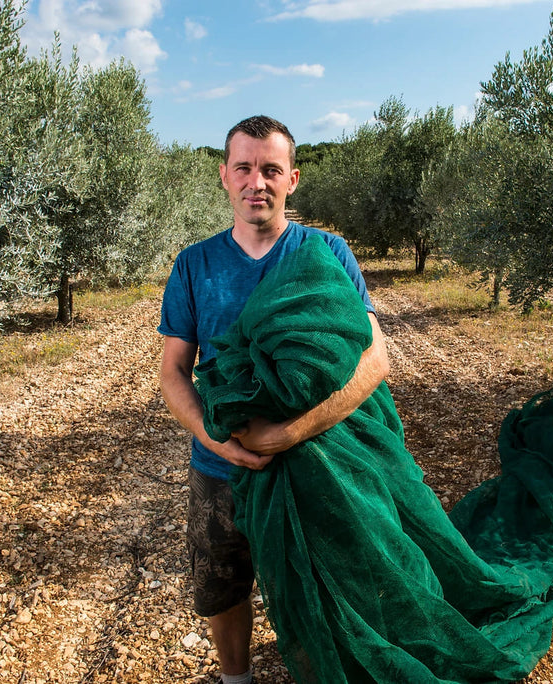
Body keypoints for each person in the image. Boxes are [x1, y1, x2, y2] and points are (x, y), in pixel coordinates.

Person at [157, 115, 389, 684]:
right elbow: (173, 373)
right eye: (244, 168)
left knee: (328, 586)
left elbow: (375, 361)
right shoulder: (194, 265)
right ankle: (236, 678)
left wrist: (287, 434)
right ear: (224, 176)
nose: (256, 181)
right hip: (218, 468)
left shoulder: (328, 254)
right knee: (221, 587)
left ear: (293, 179)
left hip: (319, 466)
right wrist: (219, 440)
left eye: (270, 169)